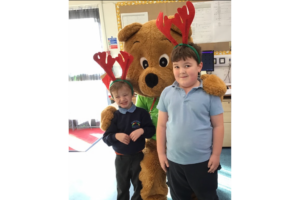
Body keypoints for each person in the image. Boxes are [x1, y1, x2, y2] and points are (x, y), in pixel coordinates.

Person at [156, 43, 224, 200]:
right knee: (179, 196)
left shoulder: (209, 94)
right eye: (177, 66)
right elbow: (161, 125)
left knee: (207, 196)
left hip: (203, 162)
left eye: (187, 65)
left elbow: (218, 126)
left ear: (199, 66)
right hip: (174, 162)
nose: (182, 71)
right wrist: (161, 153)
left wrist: (216, 154)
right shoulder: (167, 93)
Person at [102, 80, 156, 200]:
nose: (122, 99)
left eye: (125, 95)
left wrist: (141, 130)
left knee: (140, 186)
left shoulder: (141, 113)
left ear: (132, 94)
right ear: (113, 98)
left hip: (138, 157)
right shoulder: (115, 117)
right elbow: (106, 138)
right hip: (121, 159)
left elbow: (151, 130)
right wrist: (116, 136)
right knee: (122, 187)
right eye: (118, 97)